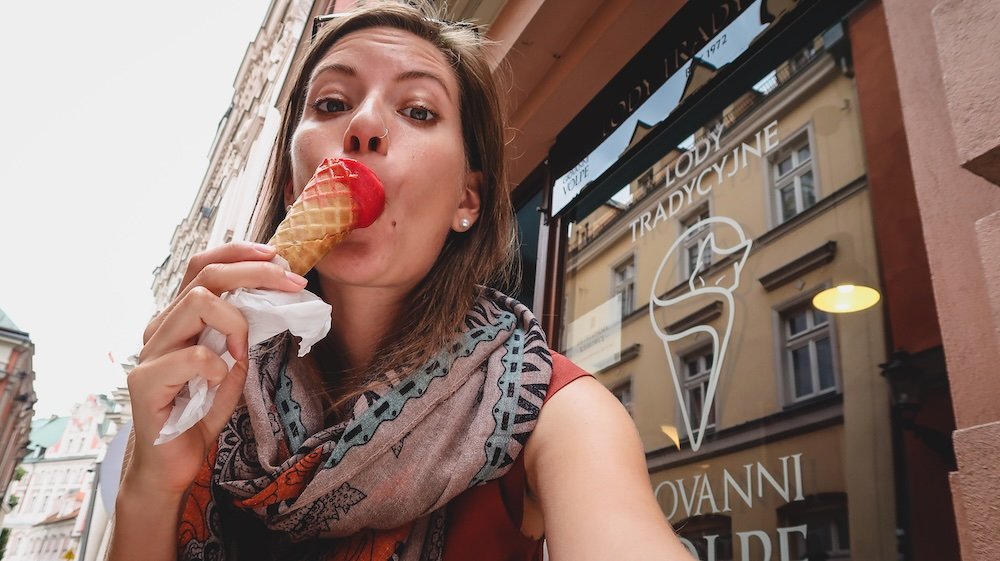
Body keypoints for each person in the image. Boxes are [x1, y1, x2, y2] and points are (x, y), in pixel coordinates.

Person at [109, 2, 695, 560]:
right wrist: (151, 484)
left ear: (467, 199)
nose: (364, 125)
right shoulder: (204, 386)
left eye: (417, 111)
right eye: (333, 102)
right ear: (292, 190)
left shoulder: (553, 412)